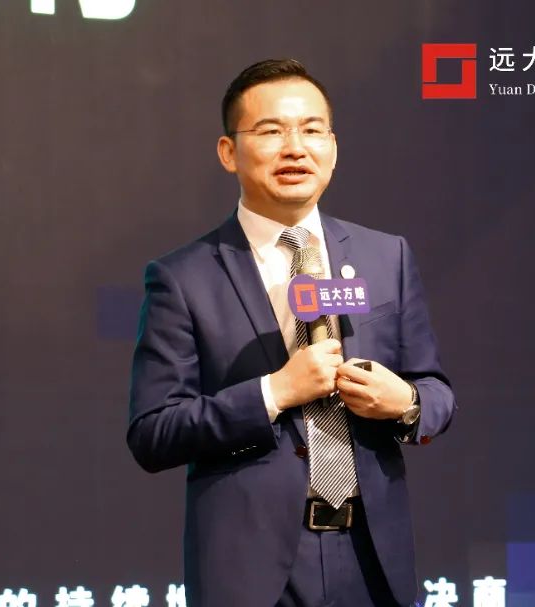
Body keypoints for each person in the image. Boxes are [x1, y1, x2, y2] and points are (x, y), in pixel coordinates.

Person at [126, 59, 456, 607]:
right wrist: (274, 392)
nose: (295, 149)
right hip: (252, 568)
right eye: (271, 131)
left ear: (333, 147)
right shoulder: (183, 278)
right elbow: (153, 433)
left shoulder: (386, 256)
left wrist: (406, 403)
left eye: (311, 130)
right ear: (229, 152)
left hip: (372, 557)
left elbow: (437, 391)